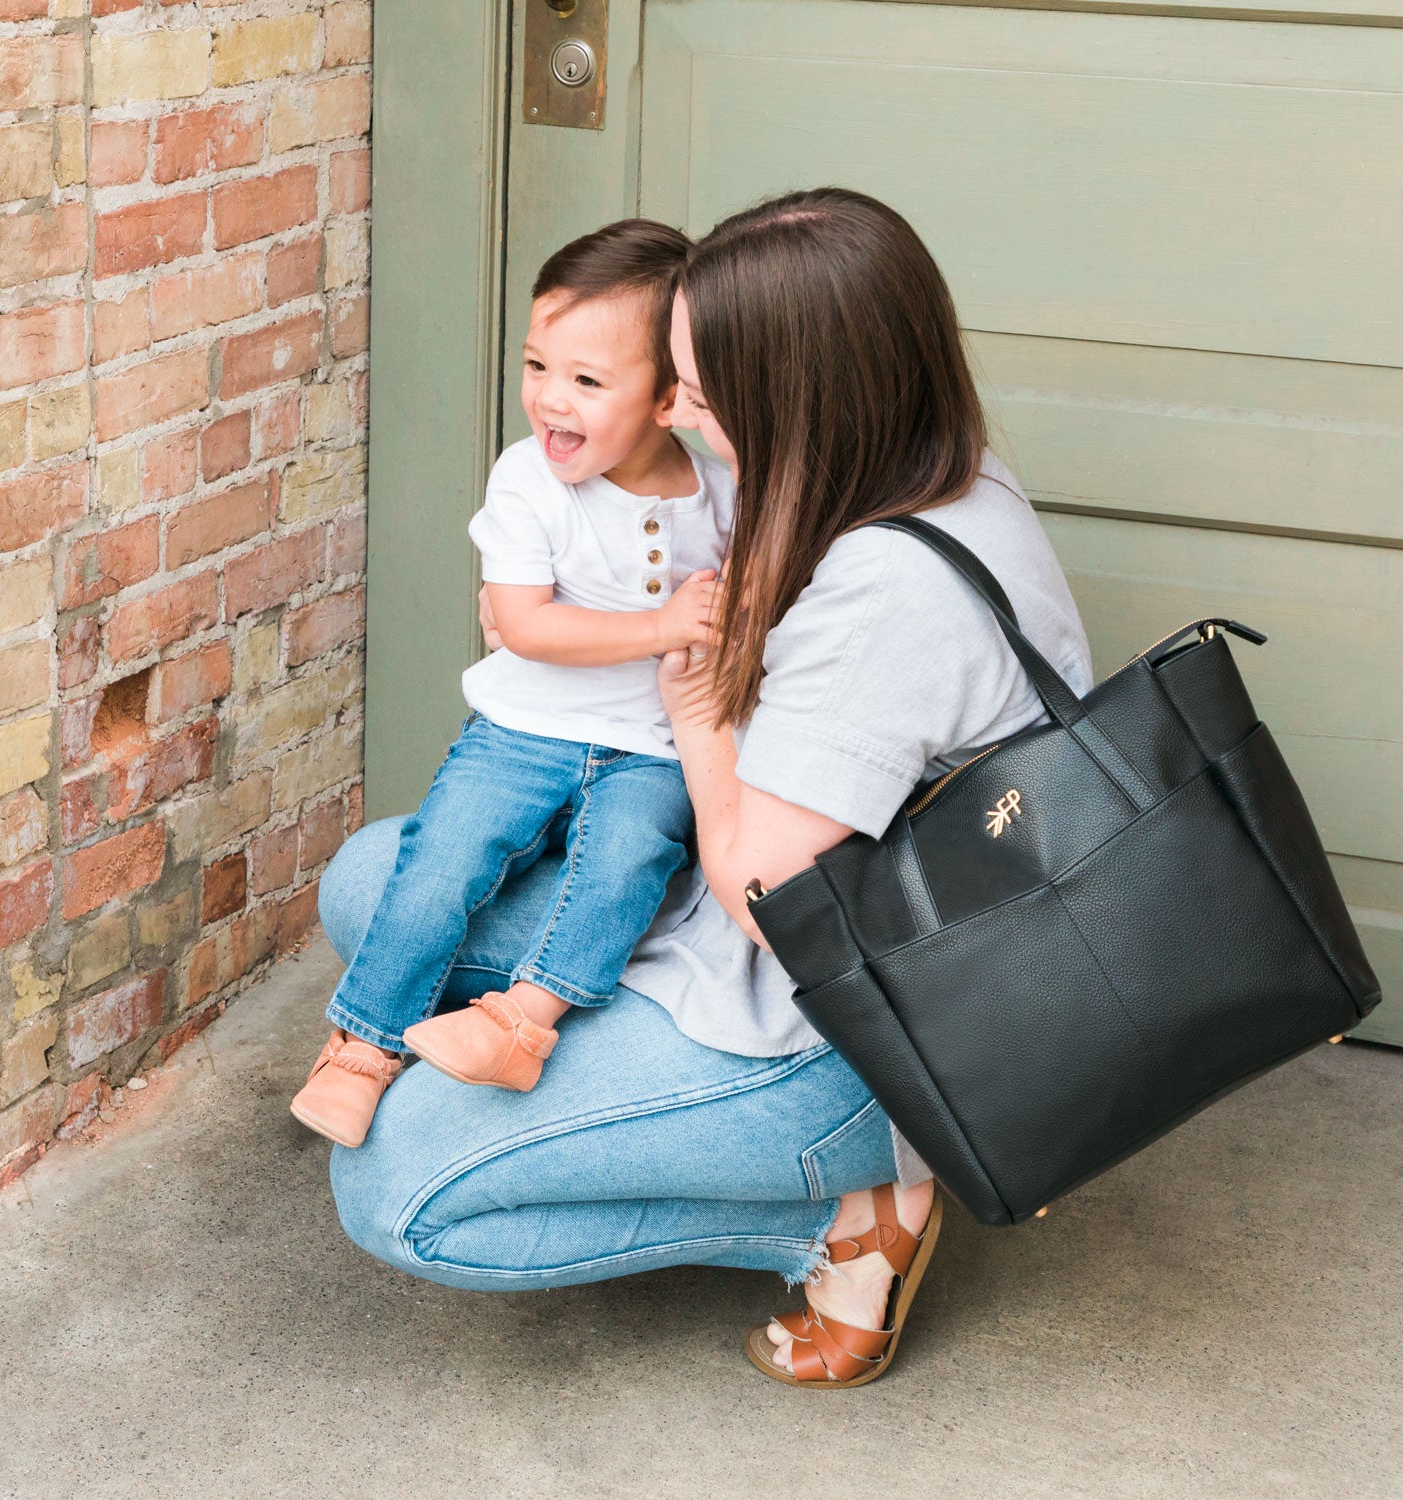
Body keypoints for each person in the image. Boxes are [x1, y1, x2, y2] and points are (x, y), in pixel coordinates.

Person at [322, 188, 1092, 1387]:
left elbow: (767, 899)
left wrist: (693, 712)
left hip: (852, 1033)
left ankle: (849, 1217)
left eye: (693, 389)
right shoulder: (925, 468)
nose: (669, 411)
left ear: (795, 396)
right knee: (378, 883)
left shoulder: (888, 599)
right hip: (779, 922)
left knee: (394, 1189)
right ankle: (582, 1093)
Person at [291, 220, 735, 1148]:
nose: (549, 402)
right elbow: (524, 623)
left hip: (655, 749)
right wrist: (659, 627)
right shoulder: (529, 481)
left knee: (628, 869)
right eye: (537, 367)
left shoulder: (721, 493)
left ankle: (519, 1025)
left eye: (586, 380)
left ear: (667, 399)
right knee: (440, 864)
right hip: (524, 732)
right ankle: (361, 1048)